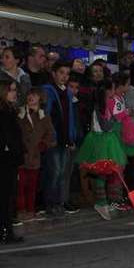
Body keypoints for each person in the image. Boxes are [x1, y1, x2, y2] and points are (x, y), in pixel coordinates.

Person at [76, 79, 127, 220]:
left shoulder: (104, 105)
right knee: (101, 172)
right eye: (111, 89)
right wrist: (117, 119)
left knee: (106, 172)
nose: (113, 92)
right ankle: (101, 203)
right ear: (105, 91)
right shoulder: (100, 107)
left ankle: (106, 202)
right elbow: (105, 126)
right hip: (101, 141)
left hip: (106, 140)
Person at [0, 81, 25, 244]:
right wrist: (16, 152)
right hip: (5, 160)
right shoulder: (3, 114)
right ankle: (3, 231)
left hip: (3, 160)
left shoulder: (4, 112)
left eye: (15, 90)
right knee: (5, 196)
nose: (14, 93)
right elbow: (6, 139)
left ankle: (0, 231)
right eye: (11, 91)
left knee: (3, 196)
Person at [42, 61, 78, 218]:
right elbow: (46, 115)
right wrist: (49, 136)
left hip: (65, 138)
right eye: (62, 73)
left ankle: (60, 201)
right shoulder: (48, 91)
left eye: (67, 74)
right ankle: (50, 202)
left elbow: (70, 117)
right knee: (54, 171)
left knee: (63, 172)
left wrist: (71, 137)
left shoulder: (68, 93)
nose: (65, 76)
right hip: (54, 138)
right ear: (54, 73)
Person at [16, 88, 55, 221]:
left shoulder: (44, 116)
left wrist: (44, 144)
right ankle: (20, 209)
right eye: (29, 94)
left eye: (34, 95)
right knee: (20, 185)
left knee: (32, 185)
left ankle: (30, 209)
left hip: (35, 157)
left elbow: (51, 134)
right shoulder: (19, 113)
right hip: (21, 156)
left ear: (40, 98)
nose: (31, 97)